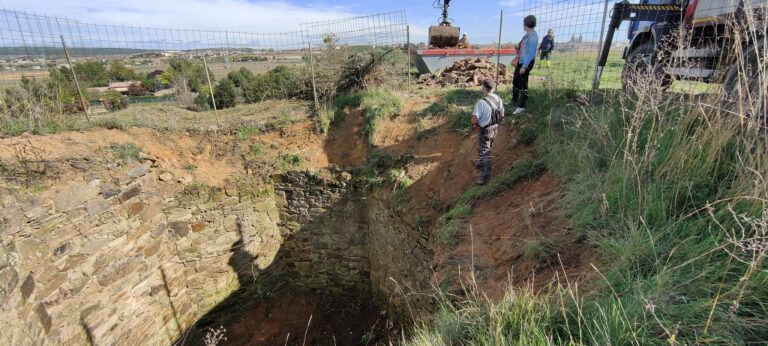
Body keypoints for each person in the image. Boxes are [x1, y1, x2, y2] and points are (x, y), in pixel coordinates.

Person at [471, 78, 504, 185]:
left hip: (485, 131)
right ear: (493, 88)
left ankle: (486, 177)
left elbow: (474, 117)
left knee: (485, 151)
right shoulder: (498, 99)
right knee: (486, 148)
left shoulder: (481, 102)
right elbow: (502, 114)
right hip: (495, 128)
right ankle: (481, 162)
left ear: (484, 88)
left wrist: (474, 124)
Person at [511, 15, 538, 115]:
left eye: (524, 23)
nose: (523, 25)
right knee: (516, 81)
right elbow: (524, 49)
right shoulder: (527, 35)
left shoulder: (533, 36)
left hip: (526, 62)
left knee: (523, 83)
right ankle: (514, 100)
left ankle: (522, 106)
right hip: (521, 61)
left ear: (527, 24)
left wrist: (524, 66)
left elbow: (531, 53)